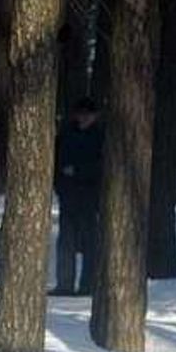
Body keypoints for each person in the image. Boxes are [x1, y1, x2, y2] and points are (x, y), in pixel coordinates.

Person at [50, 97, 103, 296]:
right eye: (80, 114)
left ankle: (88, 285)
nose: (83, 118)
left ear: (95, 116)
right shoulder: (66, 134)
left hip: (91, 197)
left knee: (90, 243)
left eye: (87, 115)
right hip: (69, 195)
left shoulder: (100, 136)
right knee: (66, 241)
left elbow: (103, 166)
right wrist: (60, 184)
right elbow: (56, 161)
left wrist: (79, 171)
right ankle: (65, 284)